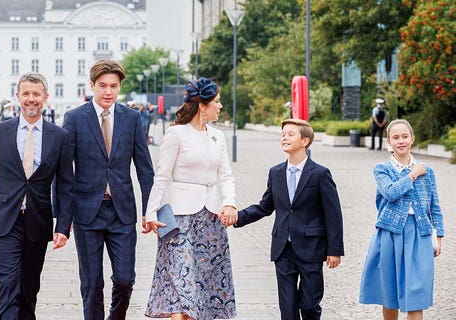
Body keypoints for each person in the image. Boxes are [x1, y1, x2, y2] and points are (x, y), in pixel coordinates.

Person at [0, 72, 74, 320]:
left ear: (45, 98)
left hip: (38, 221)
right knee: (8, 285)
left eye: (36, 94)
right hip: (4, 220)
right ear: (17, 97)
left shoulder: (59, 137)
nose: (31, 99)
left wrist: (64, 226)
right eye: (26, 94)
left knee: (29, 290)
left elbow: (65, 185)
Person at [62, 59, 155, 320]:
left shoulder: (132, 118)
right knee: (92, 284)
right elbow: (63, 171)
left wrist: (150, 209)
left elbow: (145, 169)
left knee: (125, 278)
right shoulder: (74, 118)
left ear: (119, 88)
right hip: (86, 213)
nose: (108, 92)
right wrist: (63, 217)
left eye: (114, 86)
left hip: (122, 213)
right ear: (92, 85)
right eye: (102, 86)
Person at [227, 118, 344, 320]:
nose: (284, 138)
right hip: (283, 249)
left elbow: (333, 214)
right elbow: (265, 206)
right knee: (287, 309)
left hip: (311, 248)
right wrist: (238, 217)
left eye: (290, 134)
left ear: (305, 141)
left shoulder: (320, 174)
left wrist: (334, 250)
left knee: (309, 305)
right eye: (283, 135)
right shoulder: (276, 172)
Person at [144, 77, 238, 320]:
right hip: (179, 219)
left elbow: (226, 175)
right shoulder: (176, 134)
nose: (221, 106)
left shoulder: (218, 136)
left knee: (205, 285)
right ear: (202, 106)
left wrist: (229, 202)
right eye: (217, 101)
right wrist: (151, 213)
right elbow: (162, 177)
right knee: (181, 284)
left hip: (211, 220)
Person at [359, 119, 444, 320]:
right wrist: (412, 175)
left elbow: (435, 205)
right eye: (395, 138)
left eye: (405, 136)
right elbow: (390, 192)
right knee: (390, 294)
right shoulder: (382, 169)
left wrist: (439, 235)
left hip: (420, 234)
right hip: (389, 234)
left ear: (412, 139)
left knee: (416, 294)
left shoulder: (427, 171)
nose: (401, 141)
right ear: (388, 142)